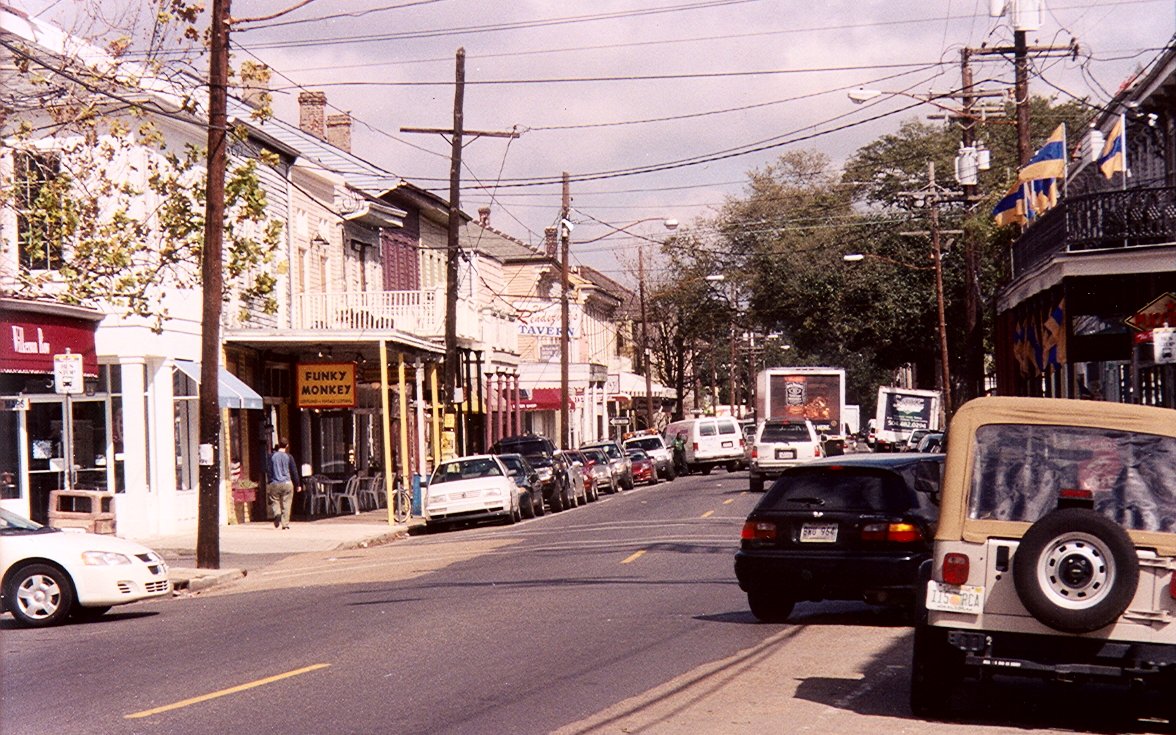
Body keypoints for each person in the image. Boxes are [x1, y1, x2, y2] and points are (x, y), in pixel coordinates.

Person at [266, 439, 302, 529]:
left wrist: (270, 481)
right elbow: (294, 471)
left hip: (275, 483)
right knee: (287, 503)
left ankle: (277, 514)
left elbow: (269, 470)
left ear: (278, 445)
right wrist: (298, 484)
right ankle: (285, 524)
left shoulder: (271, 456)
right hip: (287, 483)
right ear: (287, 446)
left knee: (275, 500)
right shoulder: (289, 457)